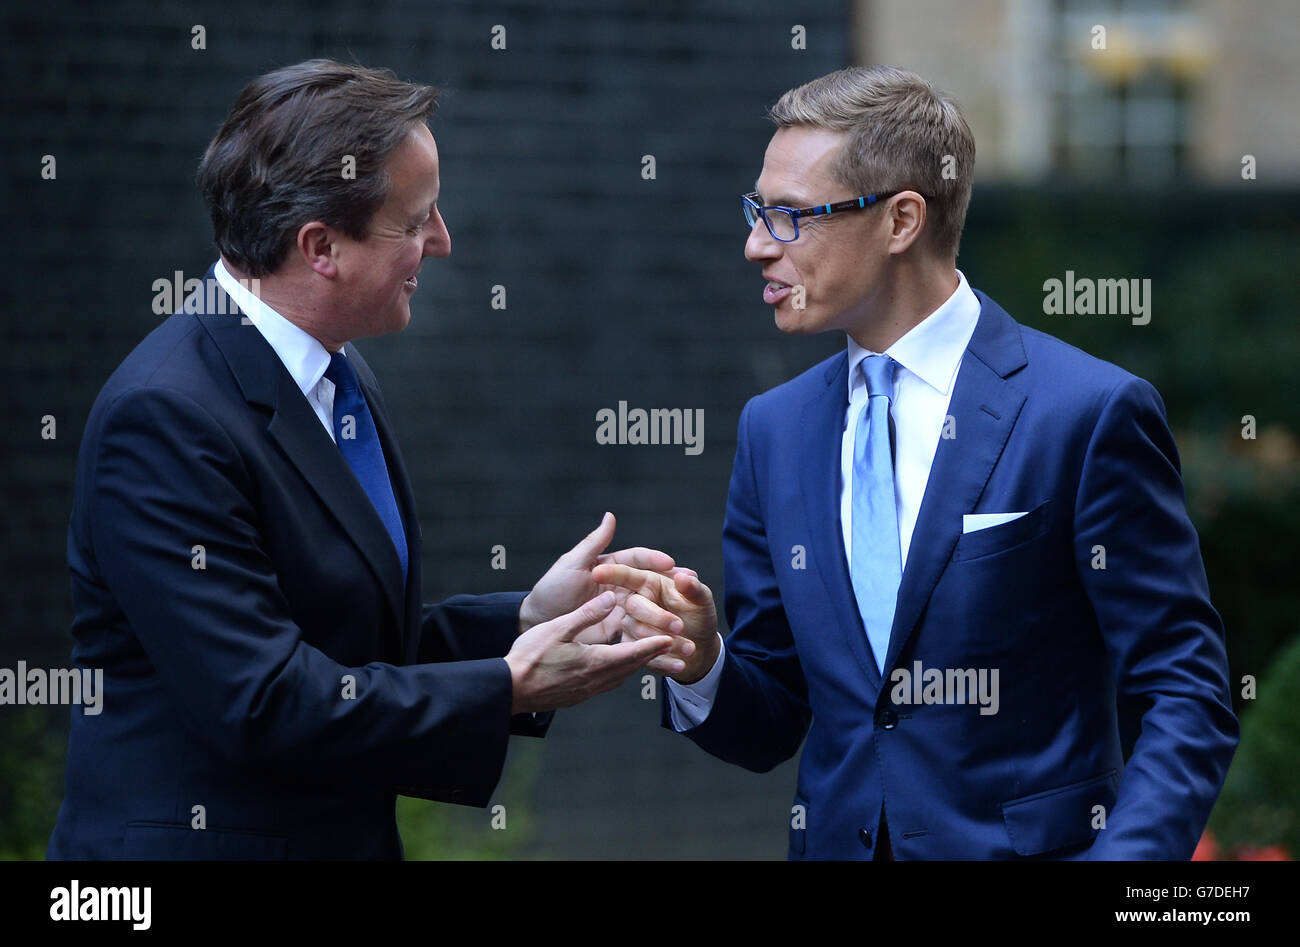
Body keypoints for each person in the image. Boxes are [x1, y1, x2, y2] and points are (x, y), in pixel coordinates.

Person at [47, 59, 686, 860]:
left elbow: (347, 651)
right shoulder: (165, 416)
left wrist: (526, 619)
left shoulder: (331, 374)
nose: (443, 241)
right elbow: (264, 699)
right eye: (416, 220)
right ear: (321, 247)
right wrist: (508, 683)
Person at [596, 65, 1240, 860]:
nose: (756, 244)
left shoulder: (1087, 412)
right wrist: (702, 662)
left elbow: (1187, 692)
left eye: (791, 217)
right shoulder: (776, 429)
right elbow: (774, 721)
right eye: (758, 211)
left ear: (901, 219)